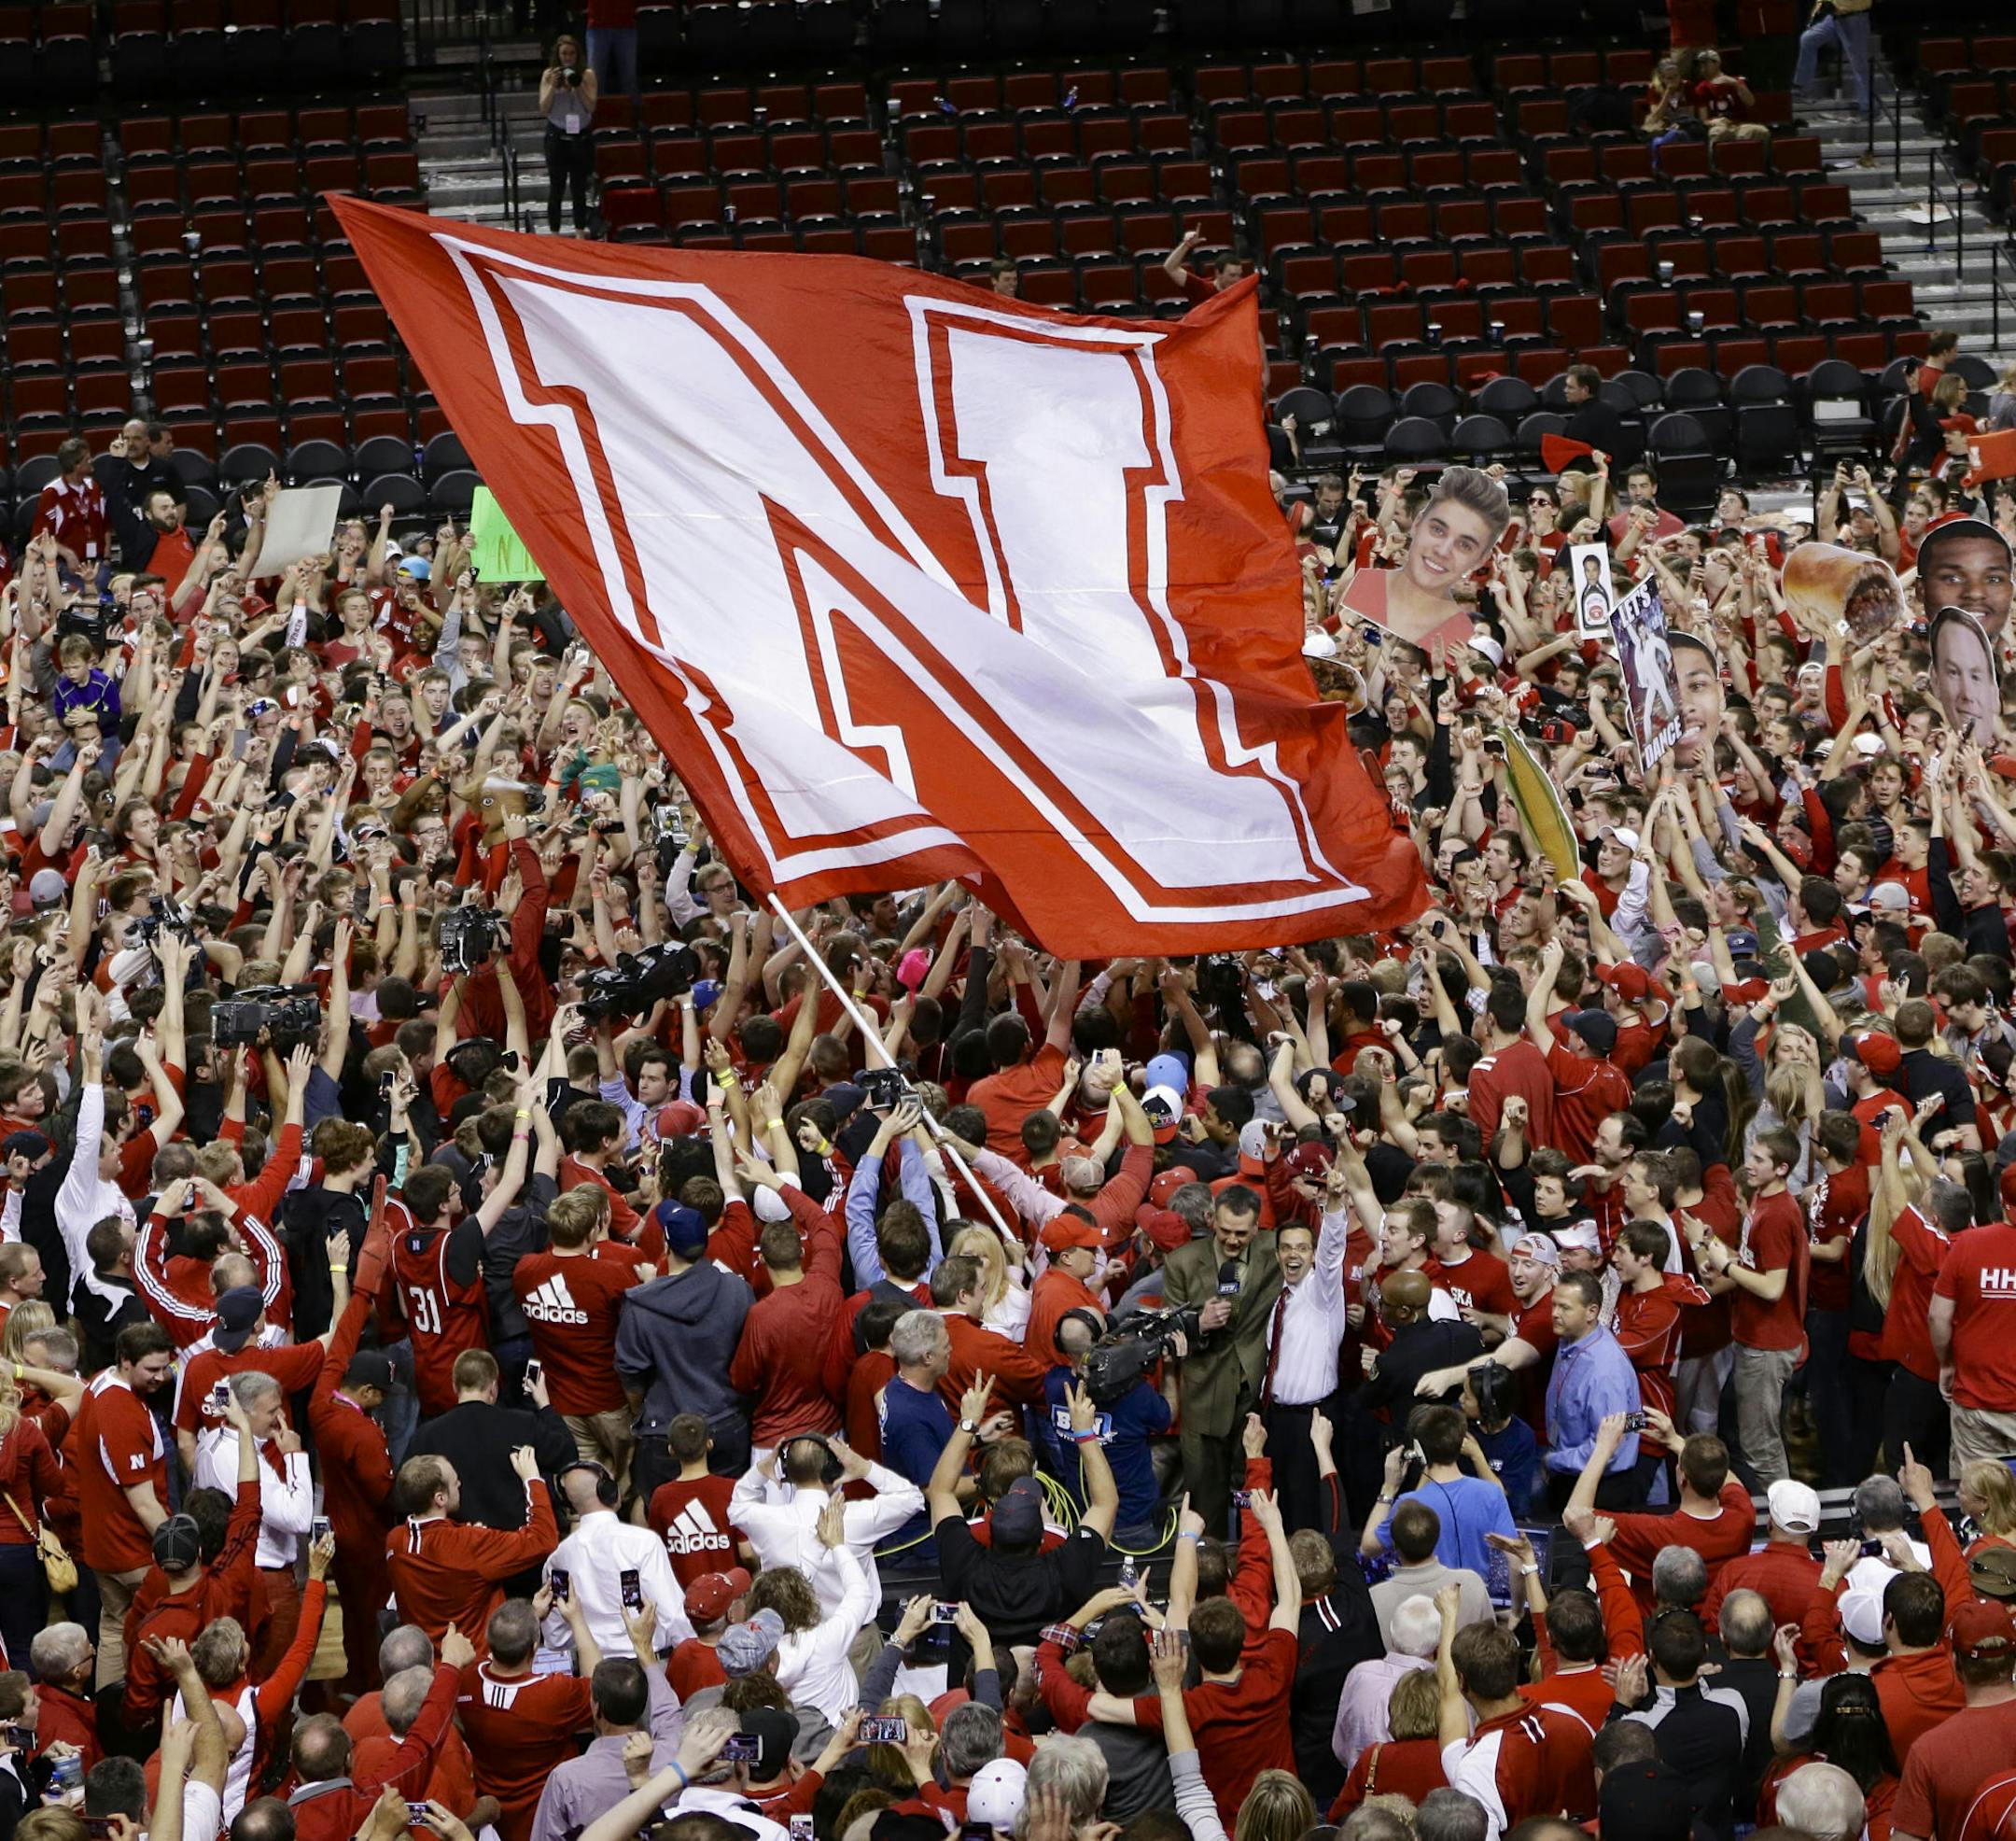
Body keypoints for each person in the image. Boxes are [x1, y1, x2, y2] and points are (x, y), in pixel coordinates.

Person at [539, 35, 598, 235]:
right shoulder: (549, 74)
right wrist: (554, 88)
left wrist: (578, 86)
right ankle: (555, 233)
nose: (568, 58)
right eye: (564, 53)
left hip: (581, 137)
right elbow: (544, 108)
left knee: (579, 188)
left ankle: (580, 232)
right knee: (557, 188)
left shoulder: (587, 75)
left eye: (571, 53)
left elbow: (591, 106)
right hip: (557, 137)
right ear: (558, 55)